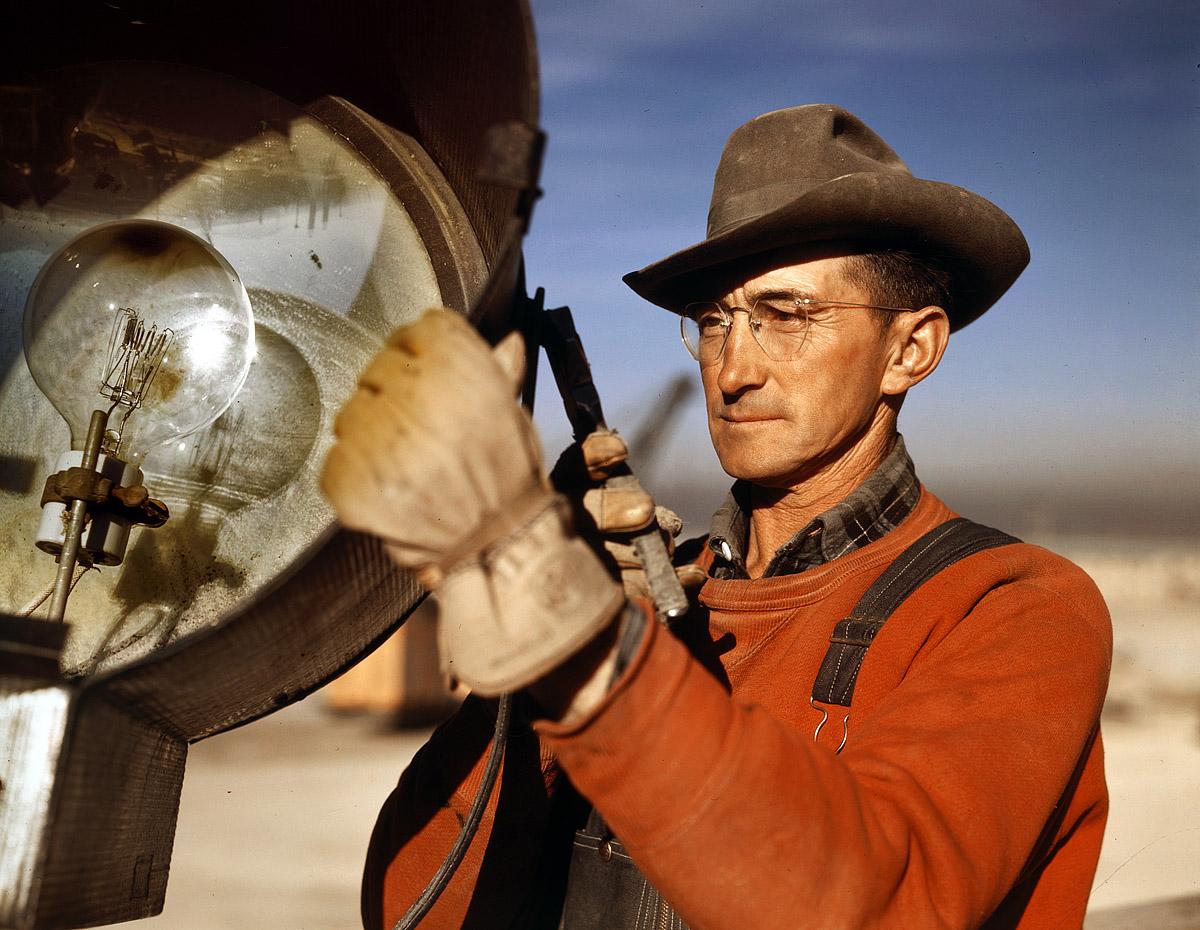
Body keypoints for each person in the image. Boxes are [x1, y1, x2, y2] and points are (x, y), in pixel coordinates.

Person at [321, 104, 1111, 930]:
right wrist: (532, 692)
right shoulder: (647, 593)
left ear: (910, 349)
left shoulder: (1015, 608)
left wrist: (585, 653)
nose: (732, 370)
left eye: (788, 316)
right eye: (713, 321)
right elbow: (414, 907)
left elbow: (879, 901)